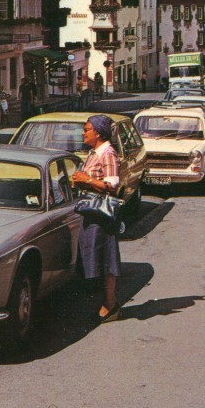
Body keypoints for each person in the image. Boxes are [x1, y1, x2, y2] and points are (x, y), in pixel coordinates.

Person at [72, 114, 122, 322]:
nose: (83, 133)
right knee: (93, 256)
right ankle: (103, 303)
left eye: (87, 129)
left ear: (98, 133)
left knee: (107, 258)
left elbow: (113, 185)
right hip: (91, 211)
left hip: (102, 214)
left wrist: (87, 179)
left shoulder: (108, 153)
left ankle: (110, 306)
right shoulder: (94, 153)